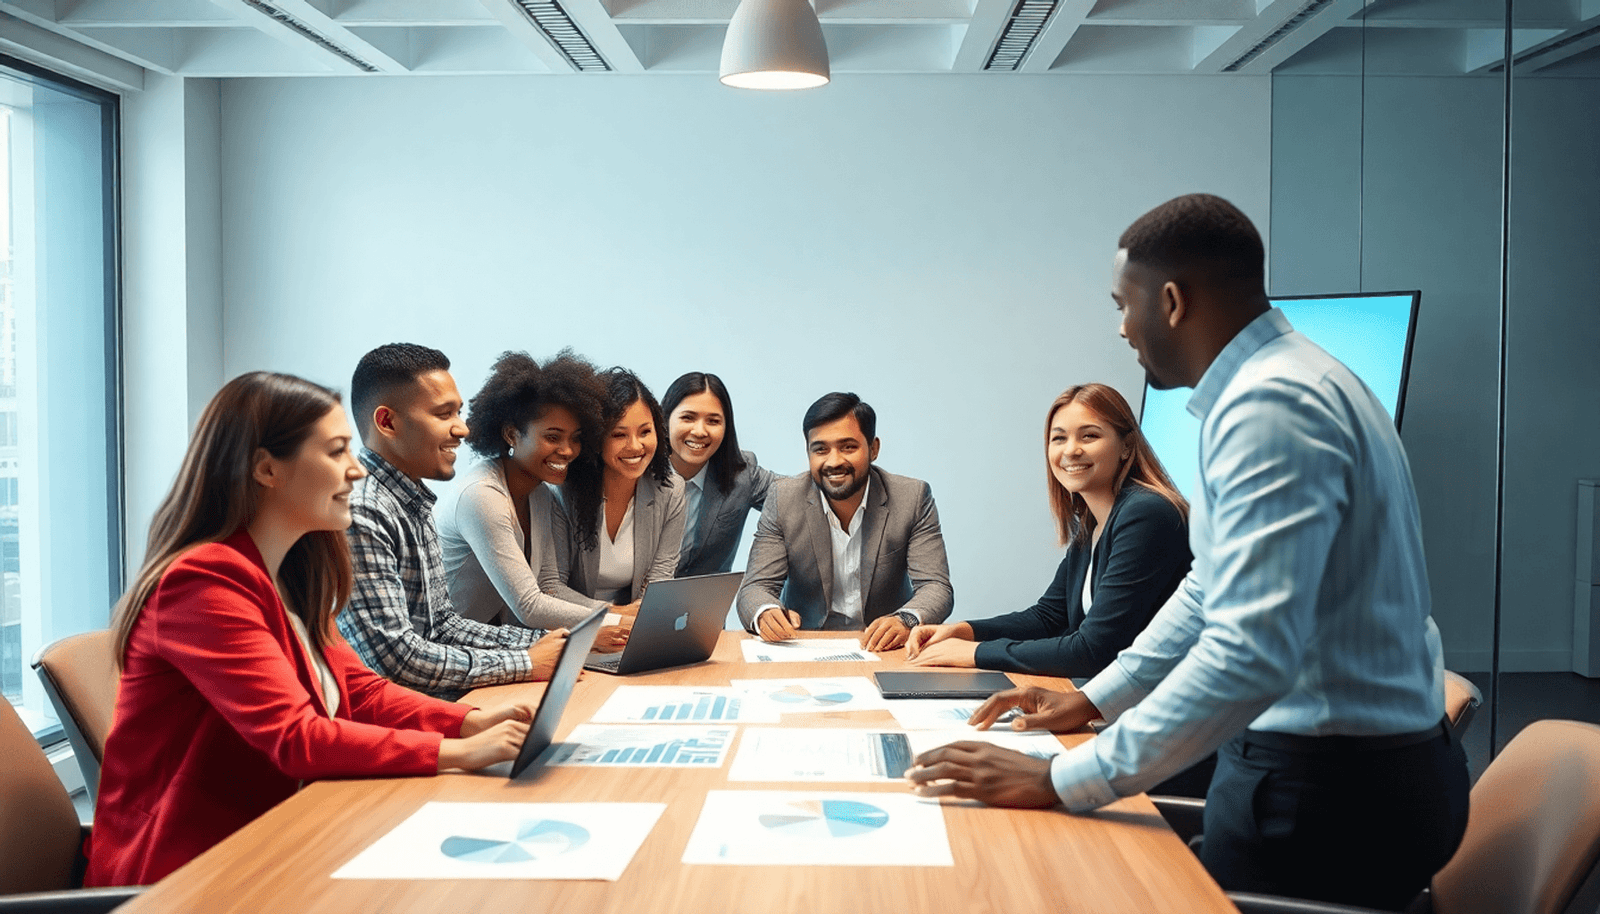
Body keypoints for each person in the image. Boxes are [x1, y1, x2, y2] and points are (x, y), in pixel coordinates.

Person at [907, 194, 1469, 911]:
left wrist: (1059, 780)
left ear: (1171, 301)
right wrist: (1091, 699)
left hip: (1329, 797)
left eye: (1123, 304)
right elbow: (1209, 591)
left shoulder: (1271, 406)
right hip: (1344, 775)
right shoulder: (1299, 379)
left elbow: (1249, 651)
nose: (1121, 328)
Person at [87, 372, 536, 887]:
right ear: (266, 469)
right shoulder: (202, 583)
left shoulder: (292, 570)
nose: (356, 471)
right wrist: (454, 753)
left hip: (281, 834)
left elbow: (361, 693)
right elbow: (296, 737)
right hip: (187, 873)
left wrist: (468, 722)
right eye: (337, 451)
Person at [905, 383, 1189, 677]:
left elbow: (1092, 651)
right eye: (1059, 438)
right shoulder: (1092, 523)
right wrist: (963, 632)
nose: (1071, 450)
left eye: (1089, 436)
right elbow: (1049, 617)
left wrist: (973, 653)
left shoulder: (1147, 514)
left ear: (1127, 446)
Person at [337, 343, 566, 700]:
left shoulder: (410, 499)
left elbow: (441, 625)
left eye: (458, 413)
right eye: (444, 414)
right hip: (390, 726)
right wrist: (524, 662)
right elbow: (396, 659)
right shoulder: (362, 511)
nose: (462, 429)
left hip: (427, 706)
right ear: (387, 422)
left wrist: (545, 644)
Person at [436, 350, 626, 651]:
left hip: (495, 646)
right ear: (512, 434)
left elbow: (548, 586)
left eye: (575, 438)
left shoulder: (539, 494)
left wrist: (614, 613)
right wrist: (609, 619)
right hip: (449, 653)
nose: (567, 450)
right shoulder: (482, 496)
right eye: (553, 437)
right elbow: (529, 604)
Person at [737, 391, 954, 651]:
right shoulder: (783, 499)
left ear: (873, 448)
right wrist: (765, 612)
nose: (834, 461)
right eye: (820, 449)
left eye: (848, 447)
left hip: (884, 648)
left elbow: (936, 586)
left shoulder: (912, 498)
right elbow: (755, 588)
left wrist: (905, 620)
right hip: (804, 645)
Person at [546, 368, 685, 613]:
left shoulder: (670, 491)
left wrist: (638, 617)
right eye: (619, 434)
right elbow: (551, 586)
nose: (635, 446)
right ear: (597, 438)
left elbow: (660, 580)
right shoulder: (560, 493)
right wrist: (615, 614)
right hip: (572, 627)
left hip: (634, 628)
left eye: (645, 432)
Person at [662, 371, 778, 577]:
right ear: (666, 420)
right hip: (630, 604)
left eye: (713, 421)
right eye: (688, 418)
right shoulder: (637, 468)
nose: (699, 431)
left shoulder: (742, 474)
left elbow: (797, 496)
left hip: (702, 606)